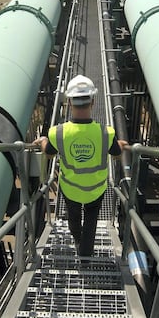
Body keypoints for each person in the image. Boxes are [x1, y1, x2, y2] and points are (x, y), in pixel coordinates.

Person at [36, 75, 126, 257]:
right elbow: (117, 154)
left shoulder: (58, 133)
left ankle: (77, 240)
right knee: (91, 219)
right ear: (93, 102)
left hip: (71, 189)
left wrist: (44, 141)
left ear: (69, 102)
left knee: (74, 217)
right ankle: (86, 253)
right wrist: (120, 145)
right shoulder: (105, 133)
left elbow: (50, 153)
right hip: (96, 189)